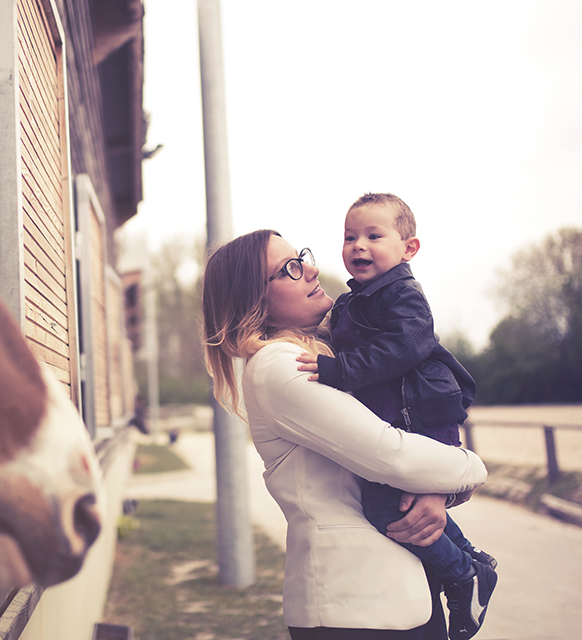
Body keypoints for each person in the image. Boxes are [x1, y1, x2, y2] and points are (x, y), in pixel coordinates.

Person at [202, 229, 488, 640]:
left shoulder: (332, 356)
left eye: (302, 256)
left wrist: (435, 492)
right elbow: (392, 455)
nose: (313, 269)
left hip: (396, 598)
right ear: (254, 300)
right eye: (291, 269)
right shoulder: (280, 366)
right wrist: (473, 468)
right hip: (354, 607)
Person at [295, 194, 496, 640]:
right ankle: (471, 561)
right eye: (350, 237)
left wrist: (341, 371)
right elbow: (336, 336)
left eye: (373, 236)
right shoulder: (356, 300)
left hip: (423, 416)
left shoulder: (401, 293)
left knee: (386, 507)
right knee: (397, 503)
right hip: (402, 419)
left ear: (409, 248)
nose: (358, 246)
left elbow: (407, 345)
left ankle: (462, 575)